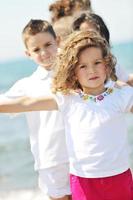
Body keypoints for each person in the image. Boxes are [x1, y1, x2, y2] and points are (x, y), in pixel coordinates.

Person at [0, 30, 133, 200]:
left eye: (97, 62)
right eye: (83, 66)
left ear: (106, 65)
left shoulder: (121, 95)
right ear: (73, 71)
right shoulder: (67, 99)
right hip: (83, 180)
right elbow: (26, 103)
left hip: (118, 176)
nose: (91, 70)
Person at [0, 19, 71, 200]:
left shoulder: (74, 72)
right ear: (28, 53)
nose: (44, 52)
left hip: (82, 155)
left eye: (48, 44)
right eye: (36, 49)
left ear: (58, 42)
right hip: (50, 159)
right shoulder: (27, 84)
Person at [72, 11, 133, 86]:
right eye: (86, 35)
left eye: (95, 34)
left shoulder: (111, 62)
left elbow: (126, 79)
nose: (91, 39)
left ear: (103, 35)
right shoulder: (74, 65)